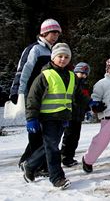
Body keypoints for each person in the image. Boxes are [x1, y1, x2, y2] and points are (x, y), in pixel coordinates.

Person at [10, 18, 62, 170]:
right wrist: (17, 91)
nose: (55, 36)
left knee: (43, 131)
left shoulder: (54, 51)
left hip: (48, 96)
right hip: (32, 95)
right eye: (53, 32)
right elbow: (23, 70)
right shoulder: (35, 49)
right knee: (36, 130)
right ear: (44, 32)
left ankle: (28, 161)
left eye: (57, 33)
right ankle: (34, 164)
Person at [22, 43, 75, 189]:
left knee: (49, 145)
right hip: (47, 118)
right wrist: (31, 118)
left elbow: (73, 96)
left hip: (62, 118)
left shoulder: (71, 76)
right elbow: (33, 98)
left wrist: (89, 103)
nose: (63, 59)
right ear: (53, 57)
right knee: (53, 148)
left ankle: (30, 165)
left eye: (66, 57)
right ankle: (57, 178)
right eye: (60, 56)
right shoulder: (45, 75)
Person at [61, 62, 91, 167]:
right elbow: (73, 98)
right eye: (81, 73)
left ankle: (70, 156)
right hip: (70, 115)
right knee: (68, 136)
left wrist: (87, 109)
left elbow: (85, 99)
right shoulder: (72, 83)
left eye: (85, 74)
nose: (83, 76)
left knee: (75, 137)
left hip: (79, 116)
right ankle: (64, 156)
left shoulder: (85, 85)